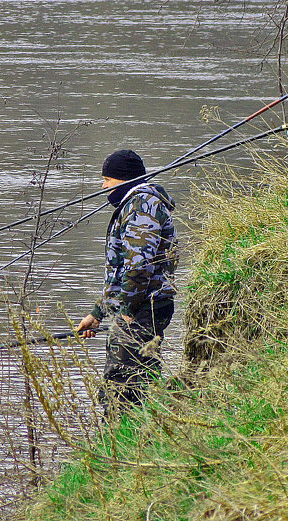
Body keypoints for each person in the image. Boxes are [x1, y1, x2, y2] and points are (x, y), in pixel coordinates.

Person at [77, 149, 177, 412]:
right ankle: (138, 434)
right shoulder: (134, 204)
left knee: (123, 384)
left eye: (107, 180)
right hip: (139, 307)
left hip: (144, 308)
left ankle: (123, 441)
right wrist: (98, 314)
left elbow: (138, 268)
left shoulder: (143, 205)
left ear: (122, 180)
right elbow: (122, 274)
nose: (103, 186)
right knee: (134, 379)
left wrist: (127, 313)